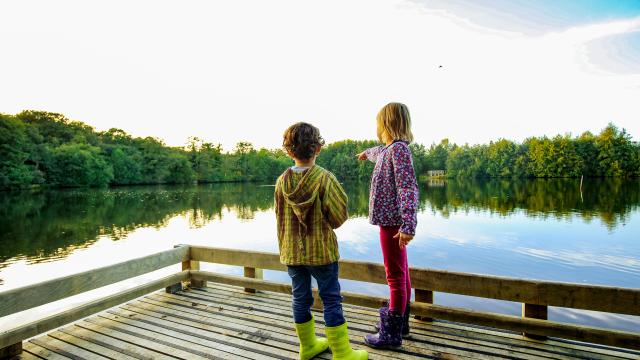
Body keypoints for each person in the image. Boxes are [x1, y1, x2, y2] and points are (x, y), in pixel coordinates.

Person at [275, 122, 368, 360]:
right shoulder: (325, 179)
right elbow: (338, 217)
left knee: (300, 298)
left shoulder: (281, 181)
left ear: (289, 151)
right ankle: (342, 352)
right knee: (331, 299)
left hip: (292, 253)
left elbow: (279, 217)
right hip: (322, 253)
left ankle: (307, 347)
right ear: (318, 148)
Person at [356, 102, 419, 349]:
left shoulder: (399, 151)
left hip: (394, 223)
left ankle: (391, 335)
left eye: (378, 122)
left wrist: (408, 225)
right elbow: (378, 152)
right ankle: (400, 323)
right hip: (390, 222)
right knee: (401, 272)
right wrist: (366, 153)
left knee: (395, 276)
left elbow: (407, 188)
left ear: (386, 124)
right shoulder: (389, 149)